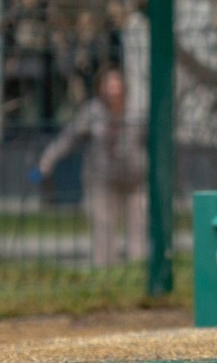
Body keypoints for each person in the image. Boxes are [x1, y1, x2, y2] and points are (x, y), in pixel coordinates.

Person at [32, 65, 148, 267]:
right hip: (101, 181)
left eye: (116, 85)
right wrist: (46, 162)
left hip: (135, 181)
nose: (113, 91)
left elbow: (153, 142)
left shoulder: (136, 111)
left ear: (124, 87)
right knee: (103, 231)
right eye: (108, 86)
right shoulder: (92, 111)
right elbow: (68, 138)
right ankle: (105, 271)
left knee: (138, 232)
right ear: (100, 88)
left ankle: (138, 271)